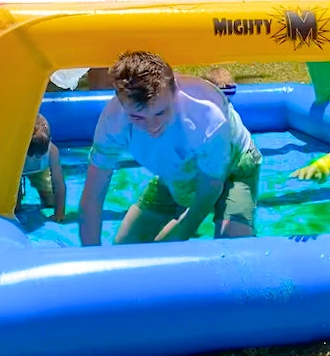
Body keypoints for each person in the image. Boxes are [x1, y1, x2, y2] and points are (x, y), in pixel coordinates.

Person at [77, 51, 262, 246]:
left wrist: (176, 235)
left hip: (236, 166)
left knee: (234, 246)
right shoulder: (113, 122)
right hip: (175, 171)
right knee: (125, 247)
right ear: (121, 103)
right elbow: (92, 197)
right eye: (137, 117)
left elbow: (210, 188)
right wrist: (93, 256)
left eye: (160, 112)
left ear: (176, 91)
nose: (152, 126)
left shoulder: (207, 117)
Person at [17, 114, 66, 222]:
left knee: (51, 201)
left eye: (40, 155)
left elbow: (59, 184)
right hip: (16, 172)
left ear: (50, 140)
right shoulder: (16, 152)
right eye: (32, 154)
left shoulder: (52, 151)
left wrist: (59, 213)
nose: (36, 158)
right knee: (15, 207)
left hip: (40, 171)